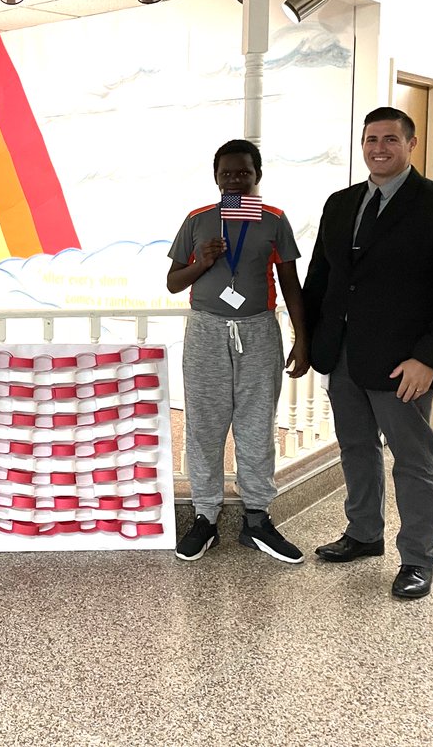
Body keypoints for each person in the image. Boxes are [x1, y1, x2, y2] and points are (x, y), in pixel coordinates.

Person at [303, 106, 433, 599]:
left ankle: (418, 559)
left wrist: (430, 358)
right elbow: (322, 280)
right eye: (370, 140)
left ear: (411, 144)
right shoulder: (340, 204)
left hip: (404, 363)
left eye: (389, 140)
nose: (378, 149)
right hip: (343, 356)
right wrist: (310, 341)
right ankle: (363, 533)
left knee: (413, 459)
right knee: (356, 449)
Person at [167, 139, 309, 563]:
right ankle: (205, 517)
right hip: (207, 331)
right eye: (226, 173)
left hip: (259, 331)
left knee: (255, 425)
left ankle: (257, 518)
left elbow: (290, 282)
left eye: (243, 172)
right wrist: (203, 262)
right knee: (205, 425)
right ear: (216, 177)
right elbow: (175, 282)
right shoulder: (198, 220)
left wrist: (303, 338)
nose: (235, 179)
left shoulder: (274, 220)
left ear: (256, 175)